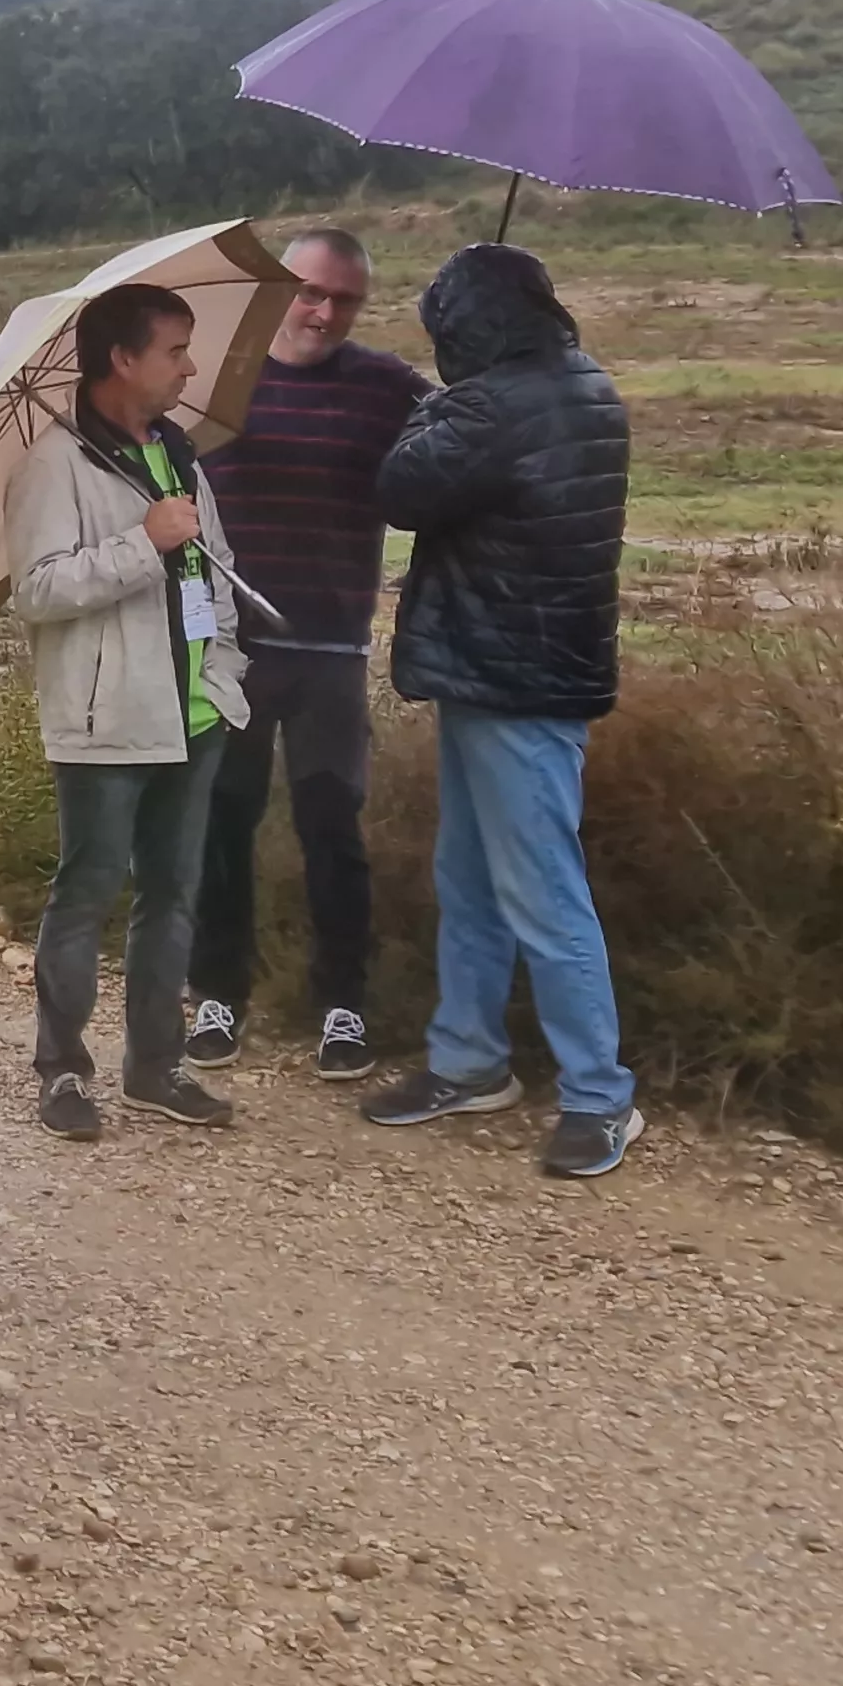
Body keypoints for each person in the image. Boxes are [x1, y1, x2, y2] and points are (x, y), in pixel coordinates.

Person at [358, 243, 643, 1178]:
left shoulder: (494, 403)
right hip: (528, 668)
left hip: (507, 674)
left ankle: (600, 1096)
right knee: (472, 878)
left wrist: (437, 406)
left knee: (539, 894)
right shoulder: (588, 385)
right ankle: (466, 1059)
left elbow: (400, 490)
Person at [4, 282, 254, 1140]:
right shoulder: (55, 464)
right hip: (105, 720)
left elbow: (214, 568)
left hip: (194, 715)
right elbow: (37, 591)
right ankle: (62, 1073)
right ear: (122, 359)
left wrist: (222, 669)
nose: (189, 366)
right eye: (174, 350)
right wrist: (141, 543)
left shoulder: (179, 454)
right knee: (88, 893)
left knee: (174, 894)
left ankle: (156, 1066)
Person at [188, 227, 430, 1082]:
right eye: (310, 291)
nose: (324, 311)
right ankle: (217, 997)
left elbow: (442, 473)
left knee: (334, 830)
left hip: (330, 650)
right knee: (224, 825)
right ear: (280, 288)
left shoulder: (390, 389)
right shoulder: (214, 380)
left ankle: (343, 1008)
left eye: (344, 299)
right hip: (234, 650)